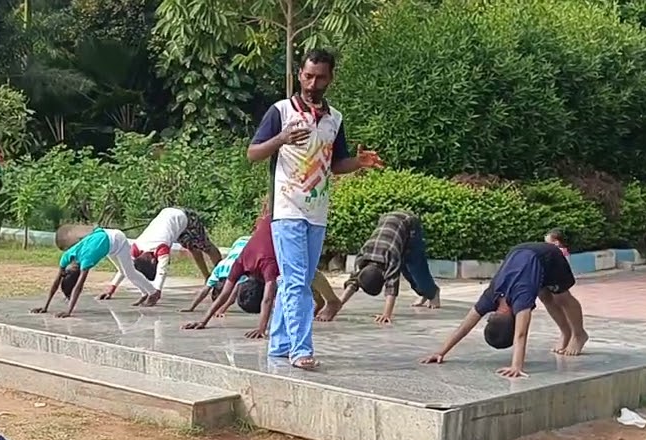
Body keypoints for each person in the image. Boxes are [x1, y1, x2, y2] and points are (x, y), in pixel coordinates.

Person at [247, 48, 384, 370]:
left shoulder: (334, 119)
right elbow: (253, 153)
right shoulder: (280, 111)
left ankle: (280, 345)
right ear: (299, 75)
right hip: (287, 208)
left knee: (299, 279)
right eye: (308, 75)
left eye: (320, 77)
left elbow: (336, 164)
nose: (312, 83)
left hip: (317, 211)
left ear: (330, 78)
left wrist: (360, 163)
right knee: (296, 281)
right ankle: (301, 349)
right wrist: (280, 139)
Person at [420, 241, 589, 378]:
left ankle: (579, 334)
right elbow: (465, 328)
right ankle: (566, 332)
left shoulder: (504, 298)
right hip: (522, 254)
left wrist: (516, 366)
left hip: (548, 256)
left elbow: (520, 334)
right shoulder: (503, 301)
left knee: (561, 297)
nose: (489, 316)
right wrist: (440, 352)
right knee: (546, 297)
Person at [332, 211, 441, 324]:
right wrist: (337, 304)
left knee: (415, 266)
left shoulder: (391, 256)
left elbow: (392, 285)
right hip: (388, 221)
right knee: (403, 266)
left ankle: (433, 293)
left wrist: (386, 314)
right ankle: (424, 293)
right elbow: (353, 281)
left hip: (408, 223)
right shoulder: (363, 256)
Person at [182, 214, 279, 339]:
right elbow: (225, 294)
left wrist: (262, 328)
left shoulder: (261, 265)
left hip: (283, 220)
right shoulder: (242, 263)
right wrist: (203, 321)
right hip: (274, 219)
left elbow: (267, 299)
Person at [33, 226, 159, 317]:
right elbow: (56, 282)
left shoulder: (86, 260)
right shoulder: (66, 256)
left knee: (129, 272)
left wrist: (69, 311)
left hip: (117, 240)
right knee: (124, 271)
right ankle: (145, 293)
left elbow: (79, 286)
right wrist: (45, 307)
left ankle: (153, 292)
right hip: (105, 239)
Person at [181, 235, 251, 314]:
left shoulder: (237, 271)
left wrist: (222, 309)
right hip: (240, 241)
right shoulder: (219, 269)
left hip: (249, 243)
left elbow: (233, 296)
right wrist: (191, 308)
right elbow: (205, 291)